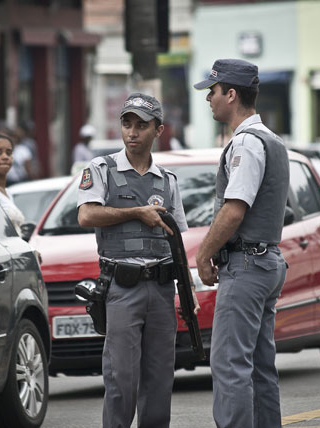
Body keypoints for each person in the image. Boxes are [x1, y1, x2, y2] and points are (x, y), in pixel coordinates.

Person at [77, 93, 199, 428]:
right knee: (122, 381)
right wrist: (136, 213)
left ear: (158, 130)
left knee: (159, 382)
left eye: (141, 125)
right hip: (121, 287)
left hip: (161, 289)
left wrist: (187, 289)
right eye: (127, 124)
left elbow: (177, 239)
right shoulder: (101, 169)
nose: (132, 132)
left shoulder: (168, 181)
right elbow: (86, 216)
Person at [193, 59, 290, 428]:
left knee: (230, 365)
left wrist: (203, 254)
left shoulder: (246, 144)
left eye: (212, 92)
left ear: (231, 95)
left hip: (248, 265)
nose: (209, 100)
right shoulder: (273, 140)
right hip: (266, 262)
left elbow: (234, 211)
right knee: (260, 367)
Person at [7, 120, 38, 184]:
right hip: (7, 181)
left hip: (21, 180)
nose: (12, 140)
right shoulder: (4, 150)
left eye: (14, 137)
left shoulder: (23, 150)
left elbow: (28, 168)